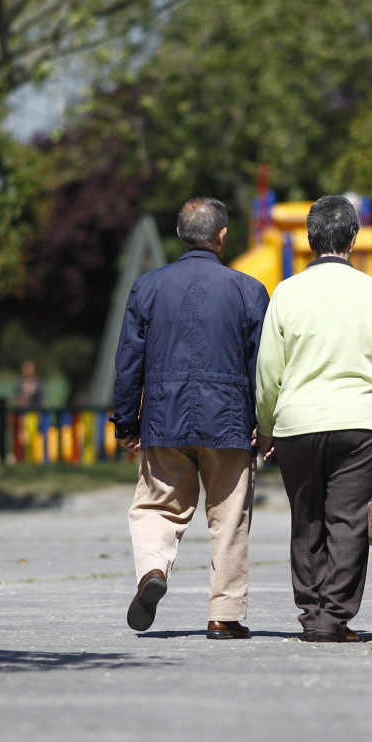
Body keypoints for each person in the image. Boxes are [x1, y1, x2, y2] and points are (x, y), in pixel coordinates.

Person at [255, 195, 372, 643]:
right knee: (348, 521)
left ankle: (312, 613)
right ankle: (334, 619)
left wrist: (266, 426)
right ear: (352, 237)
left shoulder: (285, 293)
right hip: (362, 424)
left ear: (309, 241)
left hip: (298, 424)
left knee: (305, 519)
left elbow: (269, 371)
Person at [111, 196, 270, 641]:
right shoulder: (249, 290)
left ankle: (152, 571)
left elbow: (128, 360)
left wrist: (126, 421)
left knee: (157, 507)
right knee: (230, 518)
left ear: (180, 235)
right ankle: (224, 615)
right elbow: (263, 364)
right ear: (222, 235)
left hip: (164, 417)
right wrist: (263, 420)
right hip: (230, 422)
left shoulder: (148, 287)